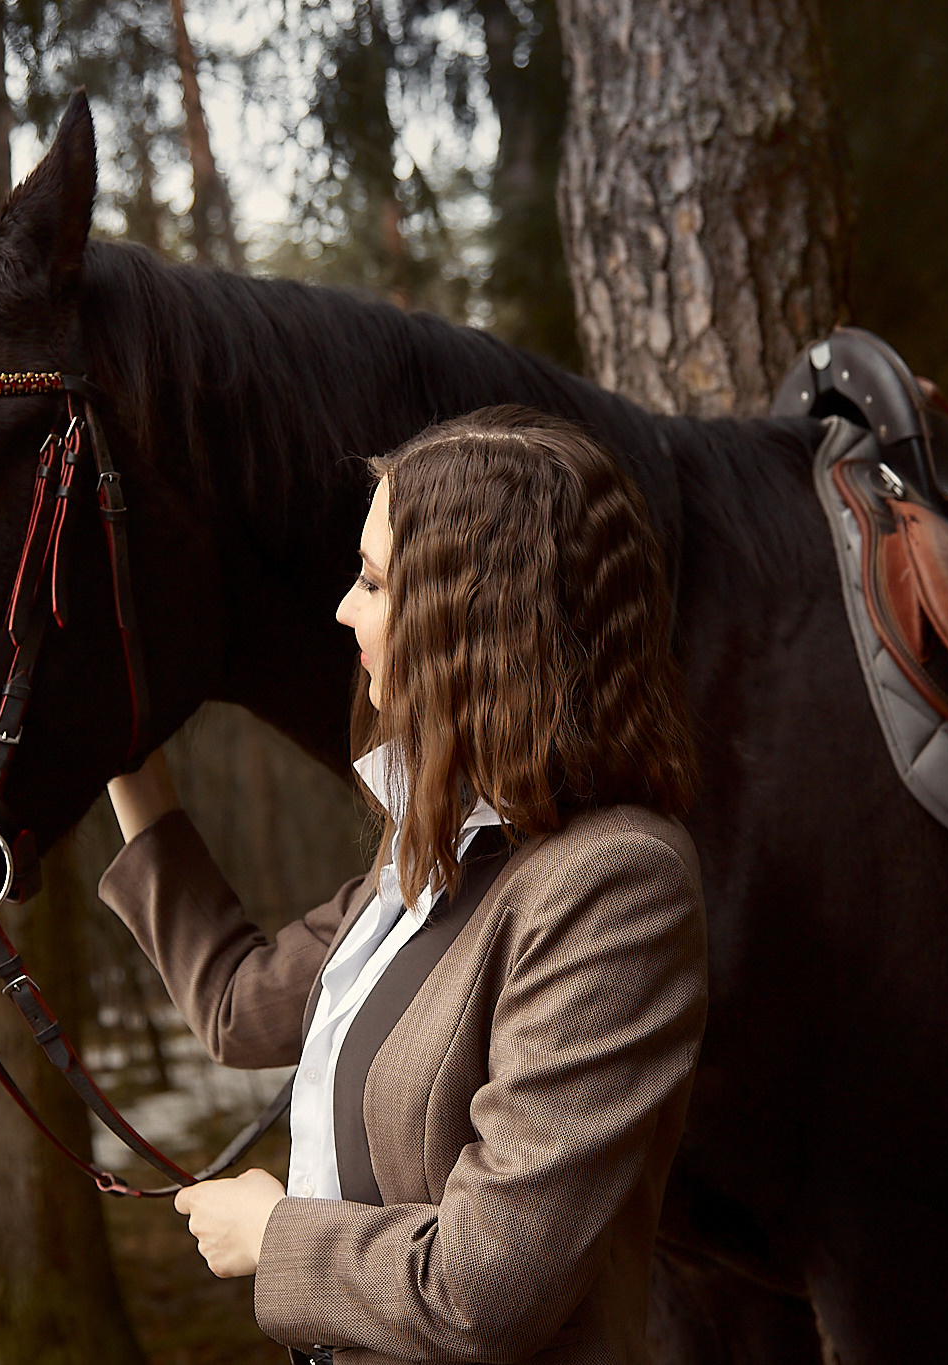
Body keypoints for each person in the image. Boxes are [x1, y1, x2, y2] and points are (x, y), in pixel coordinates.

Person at [98, 405, 707, 1364]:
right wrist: (127, 760)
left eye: (375, 581)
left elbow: (485, 1288)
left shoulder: (615, 886)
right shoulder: (434, 850)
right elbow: (238, 1004)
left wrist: (275, 1235)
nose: (346, 609)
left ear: (480, 615)